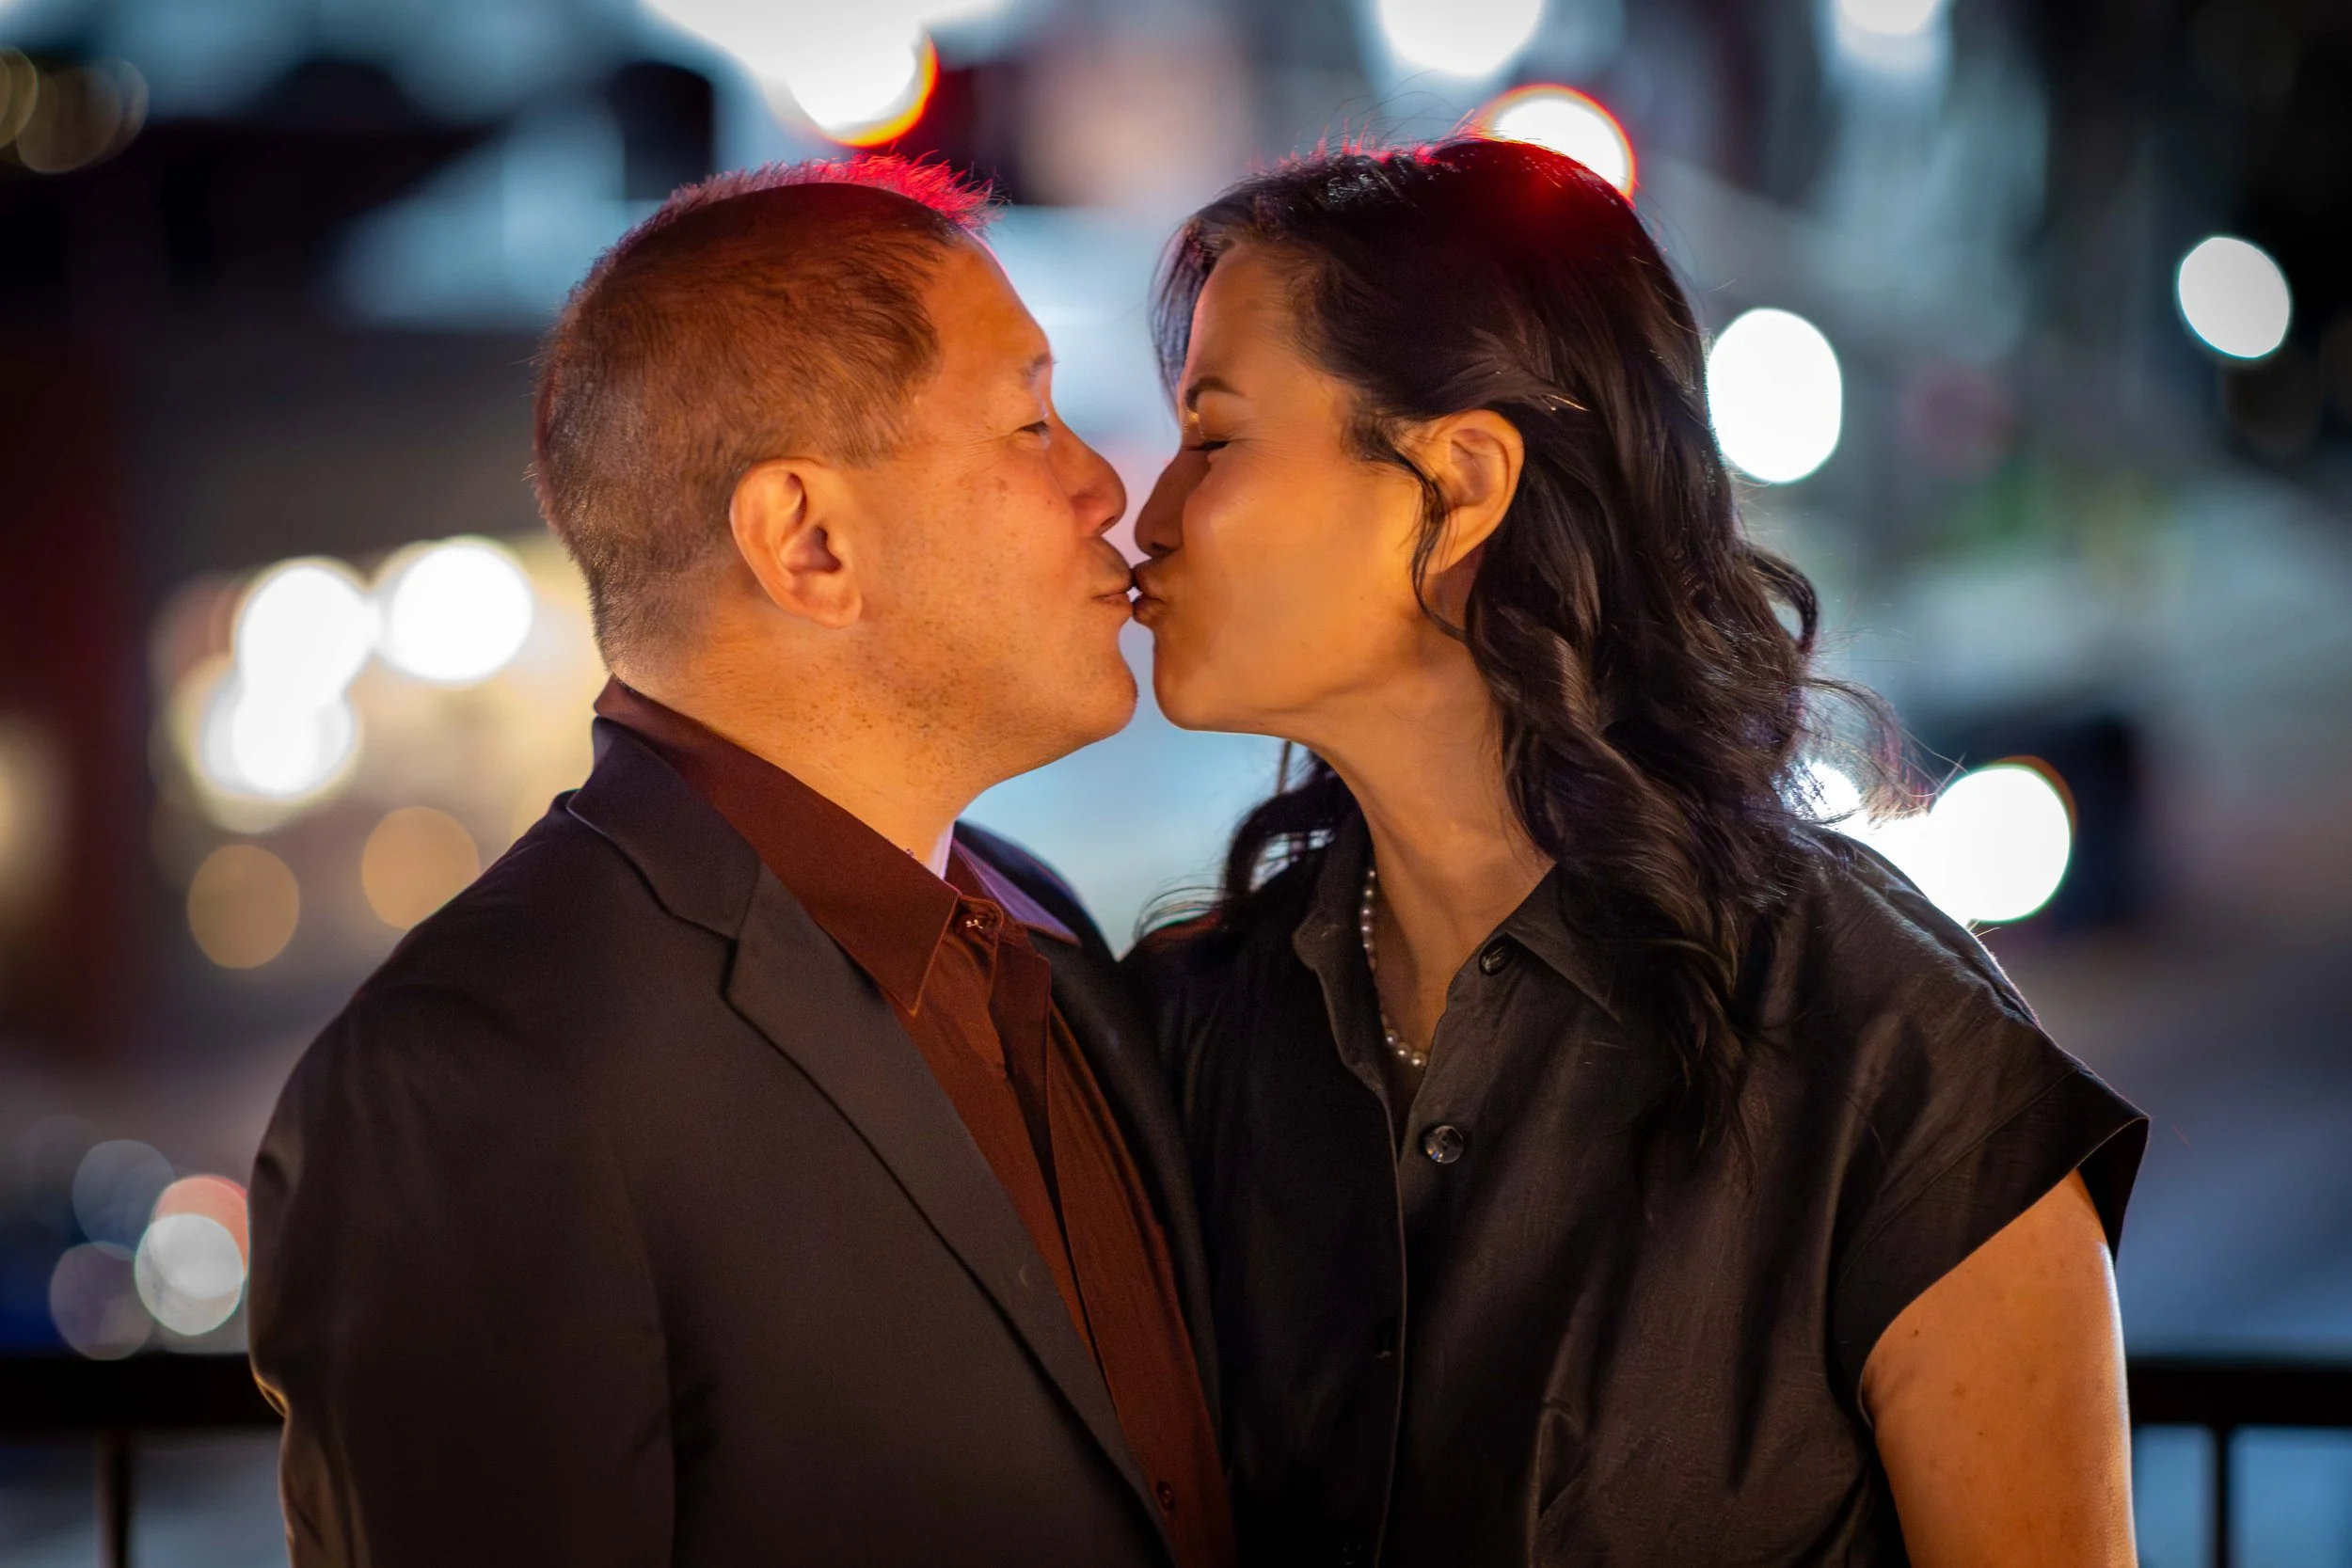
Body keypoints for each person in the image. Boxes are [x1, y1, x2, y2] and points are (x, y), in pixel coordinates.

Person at [1124, 137, 2147, 1567]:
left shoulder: (1891, 1064)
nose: (1147, 518)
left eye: (1213, 437)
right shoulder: (1192, 1024)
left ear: (1457, 486)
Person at [247, 159, 1232, 1568]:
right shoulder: (473, 1075)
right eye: (1031, 420)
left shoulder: (1031, 925)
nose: (1102, 487)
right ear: (808, 540)